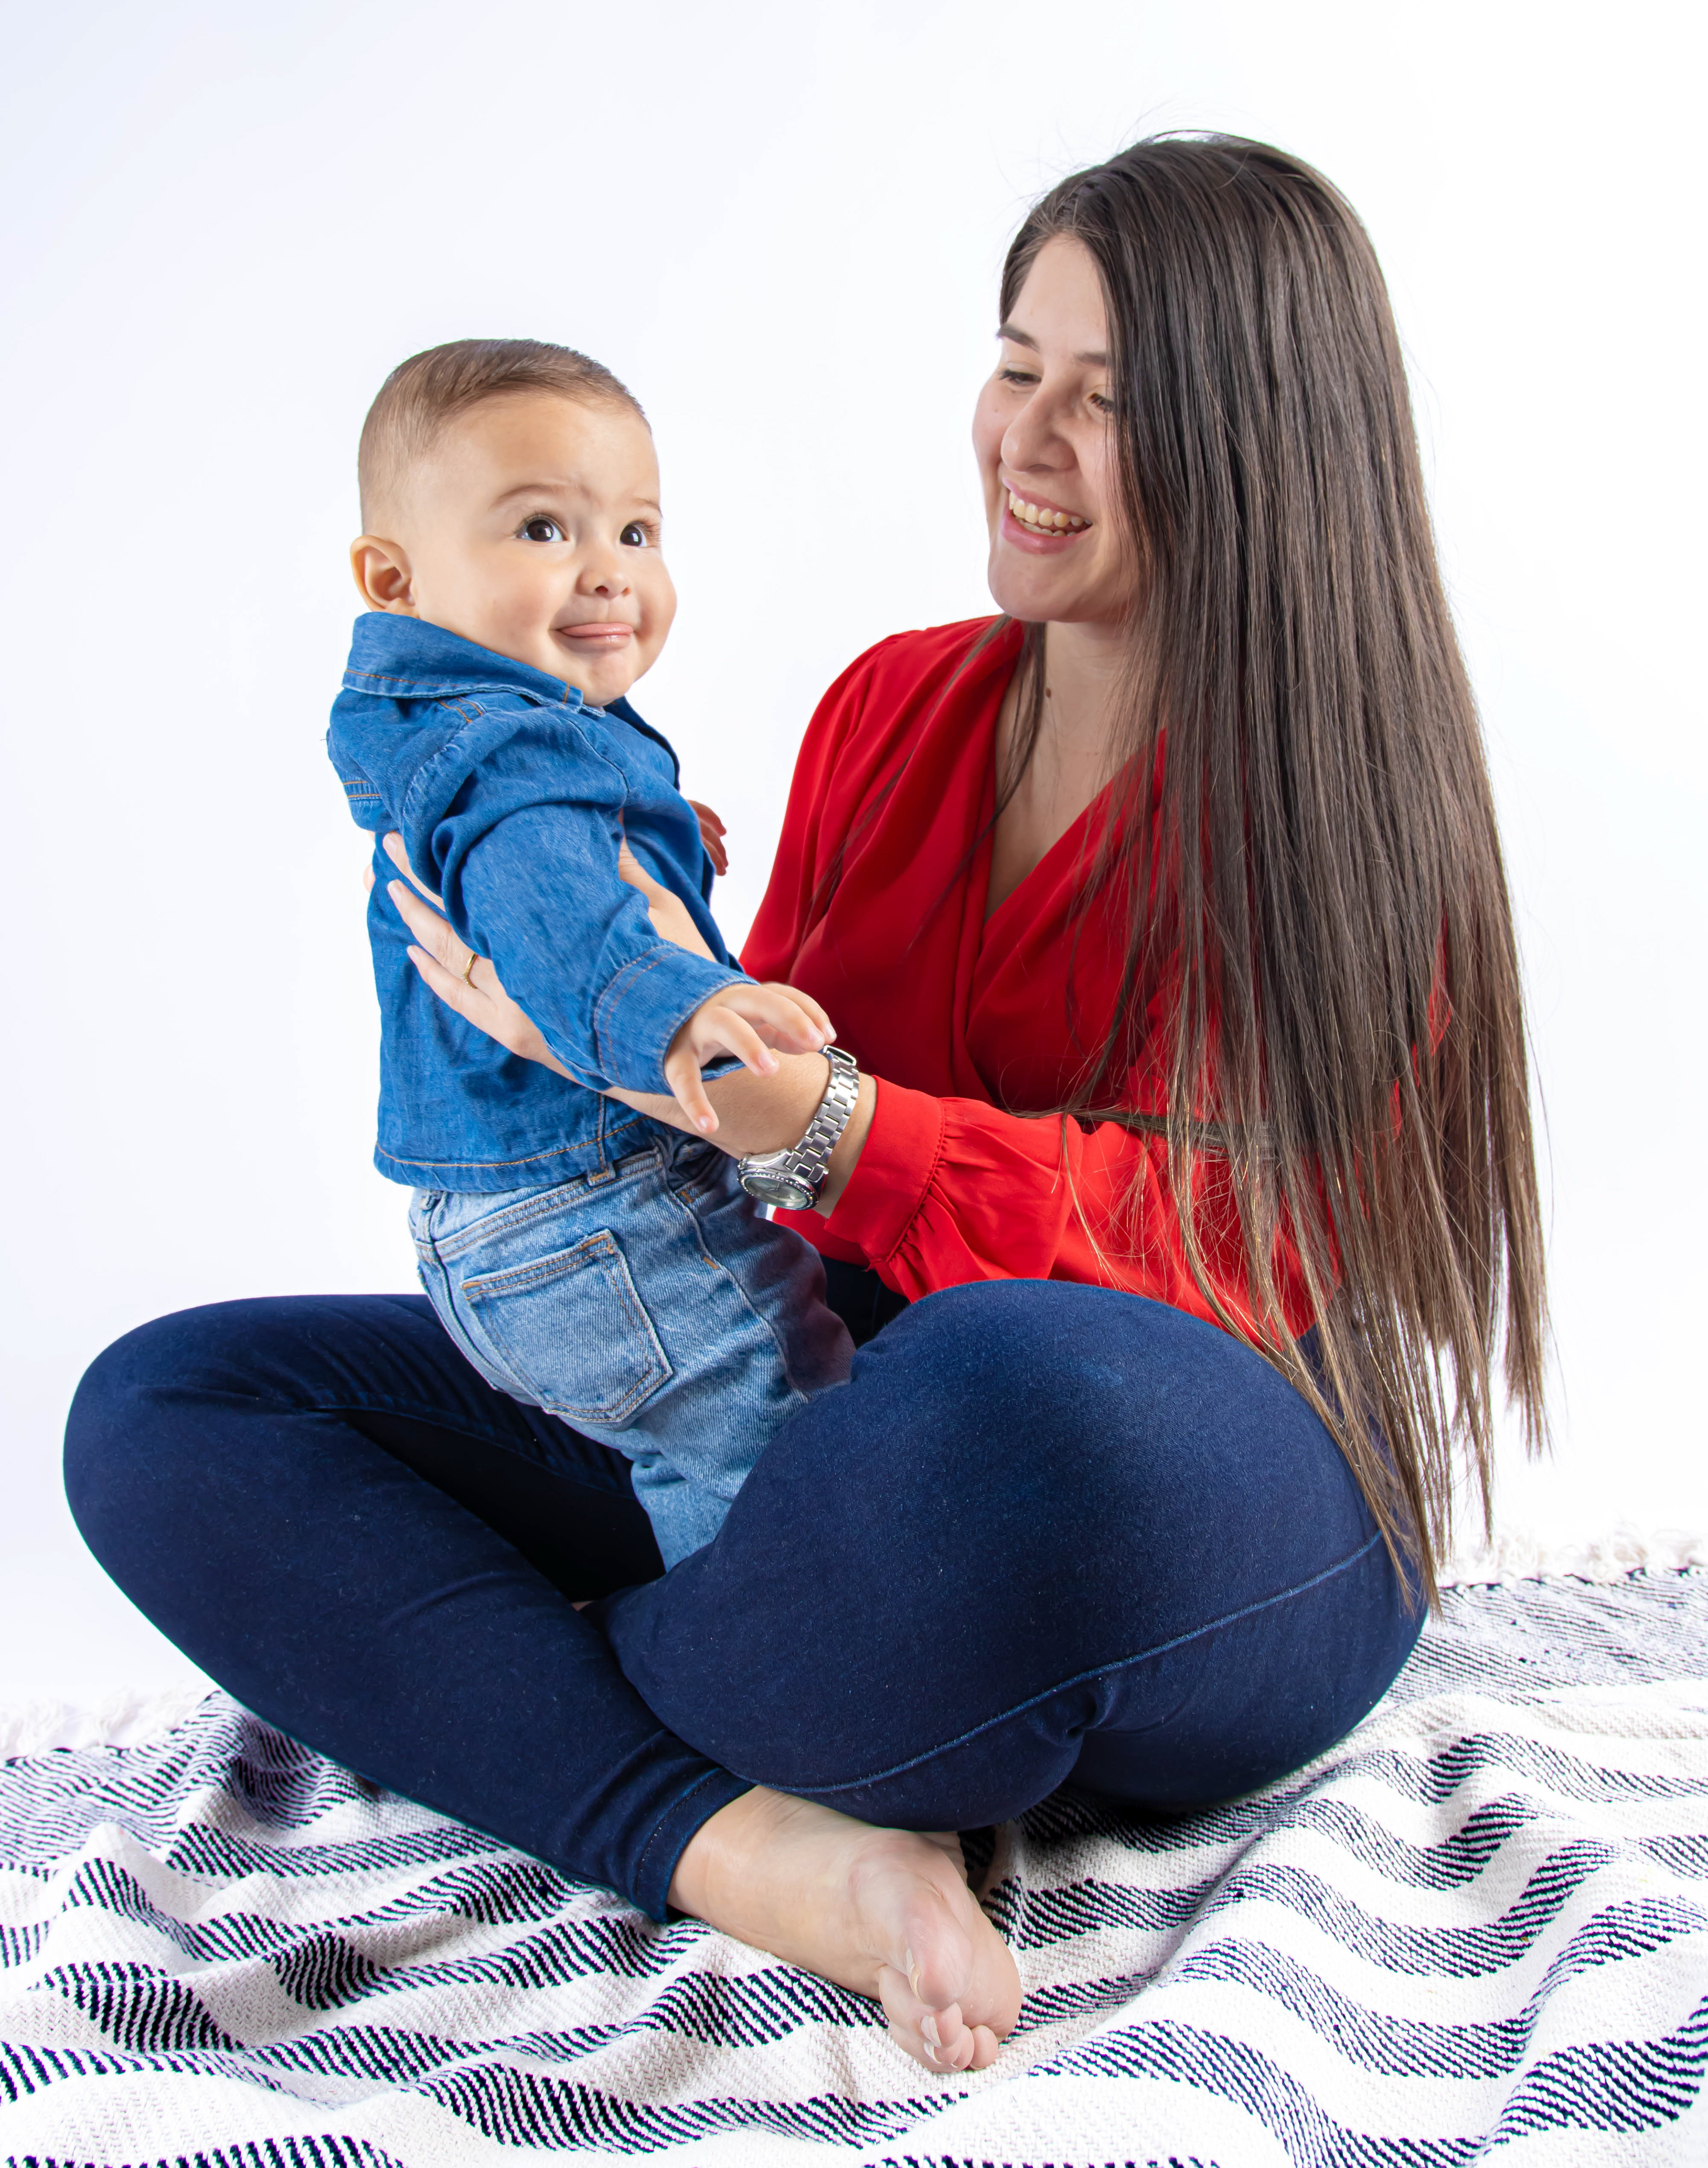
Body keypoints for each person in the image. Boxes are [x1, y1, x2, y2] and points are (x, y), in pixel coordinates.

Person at [64, 135, 1547, 2077]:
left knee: (1010, 1385)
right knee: (171, 1413)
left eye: (1108, 401)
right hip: (854, 1450)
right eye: (1015, 366)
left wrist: (826, 1124)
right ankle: (759, 1844)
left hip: (1170, 1484)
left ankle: (510, 1681)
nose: (1027, 440)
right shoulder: (890, 707)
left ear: (1261, 441)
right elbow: (742, 1139)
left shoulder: (1341, 815)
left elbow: (1232, 1248)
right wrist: (587, 1028)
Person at [328, 338, 852, 1566]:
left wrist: (653, 822)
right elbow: (561, 928)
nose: (609, 570)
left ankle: (664, 1626)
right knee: (782, 1434)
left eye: (636, 531)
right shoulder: (518, 756)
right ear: (394, 577)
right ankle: (762, 1665)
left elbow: (549, 857)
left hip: (505, 1233)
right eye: (542, 530)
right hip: (608, 1214)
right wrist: (675, 1010)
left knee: (704, 1442)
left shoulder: (475, 733)